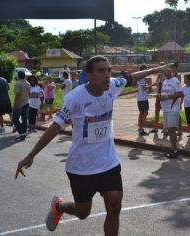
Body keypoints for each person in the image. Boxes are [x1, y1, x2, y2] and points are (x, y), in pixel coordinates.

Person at [15, 56, 171, 234]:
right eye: (101, 71)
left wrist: (154, 70)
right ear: (88, 75)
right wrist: (31, 155)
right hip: (82, 166)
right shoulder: (75, 98)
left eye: (109, 70)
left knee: (114, 205)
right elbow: (55, 126)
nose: (106, 75)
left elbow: (132, 77)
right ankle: (59, 207)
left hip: (108, 161)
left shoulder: (112, 85)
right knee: (83, 213)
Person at [160, 65, 184, 158]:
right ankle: (172, 148)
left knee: (172, 129)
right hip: (166, 108)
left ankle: (174, 150)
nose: (164, 71)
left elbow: (180, 93)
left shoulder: (175, 81)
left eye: (166, 70)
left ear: (171, 71)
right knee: (169, 130)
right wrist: (160, 96)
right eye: (163, 70)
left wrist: (167, 97)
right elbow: (164, 93)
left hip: (172, 108)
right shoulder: (165, 81)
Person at [13, 71, 31, 141]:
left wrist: (15, 105)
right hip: (27, 103)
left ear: (19, 76)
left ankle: (22, 132)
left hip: (20, 104)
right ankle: (24, 133)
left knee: (15, 119)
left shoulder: (18, 83)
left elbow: (17, 95)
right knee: (24, 119)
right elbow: (30, 94)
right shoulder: (28, 83)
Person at [149, 62, 166, 134]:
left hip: (165, 96)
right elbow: (156, 83)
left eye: (161, 67)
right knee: (156, 112)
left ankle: (165, 128)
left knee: (165, 113)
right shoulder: (159, 75)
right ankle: (155, 128)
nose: (160, 69)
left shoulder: (166, 75)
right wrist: (153, 85)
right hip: (159, 95)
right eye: (160, 67)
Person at [136, 65, 151, 136]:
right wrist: (152, 85)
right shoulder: (141, 78)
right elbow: (144, 88)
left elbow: (145, 88)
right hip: (142, 99)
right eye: (146, 70)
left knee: (142, 113)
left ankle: (140, 128)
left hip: (143, 98)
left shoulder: (142, 78)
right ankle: (141, 129)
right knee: (144, 113)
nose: (147, 71)